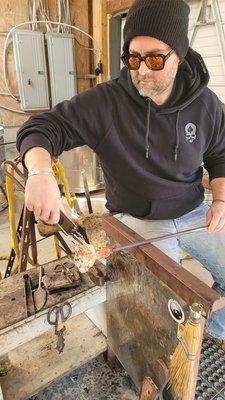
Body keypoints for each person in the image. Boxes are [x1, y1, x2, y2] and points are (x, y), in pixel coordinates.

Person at [17, 0, 225, 340]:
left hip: (194, 212)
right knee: (164, 308)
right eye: (133, 58)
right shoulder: (107, 102)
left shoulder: (206, 104)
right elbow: (42, 127)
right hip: (137, 219)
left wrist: (220, 200)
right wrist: (40, 174)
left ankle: (212, 333)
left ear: (180, 55)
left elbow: (220, 154)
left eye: (155, 58)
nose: (142, 70)